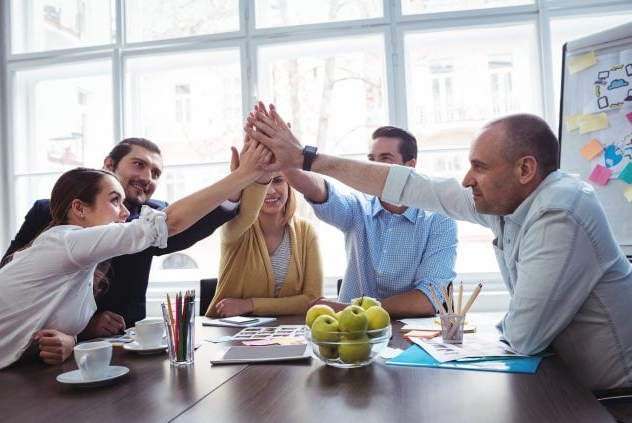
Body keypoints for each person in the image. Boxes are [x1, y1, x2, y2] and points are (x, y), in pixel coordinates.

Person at [246, 103, 632, 392]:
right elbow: (418, 187)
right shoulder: (509, 201)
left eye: (479, 167)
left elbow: (523, 336)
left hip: (609, 398)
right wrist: (304, 158)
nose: (467, 179)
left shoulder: (560, 210)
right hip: (567, 381)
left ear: (525, 170)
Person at [0, 142, 270, 369]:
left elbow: (43, 320)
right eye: (114, 201)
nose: (126, 214)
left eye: (155, 172)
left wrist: (73, 338)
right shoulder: (63, 239)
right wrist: (241, 176)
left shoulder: (88, 270)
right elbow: (167, 223)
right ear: (79, 208)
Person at [283, 126, 457, 317]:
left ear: (410, 166)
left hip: (410, 337)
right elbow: (318, 190)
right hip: (353, 333)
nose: (373, 168)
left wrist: (353, 309)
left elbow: (427, 300)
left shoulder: (439, 220)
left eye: (385, 159)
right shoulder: (358, 207)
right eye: (371, 160)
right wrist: (285, 160)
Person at [206, 143, 323, 318]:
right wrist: (238, 177)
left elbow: (313, 300)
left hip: (287, 336)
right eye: (260, 182)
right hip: (231, 335)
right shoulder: (235, 226)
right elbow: (247, 213)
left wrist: (250, 305)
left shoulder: (305, 231)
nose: (270, 190)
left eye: (277, 180)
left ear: (289, 183)